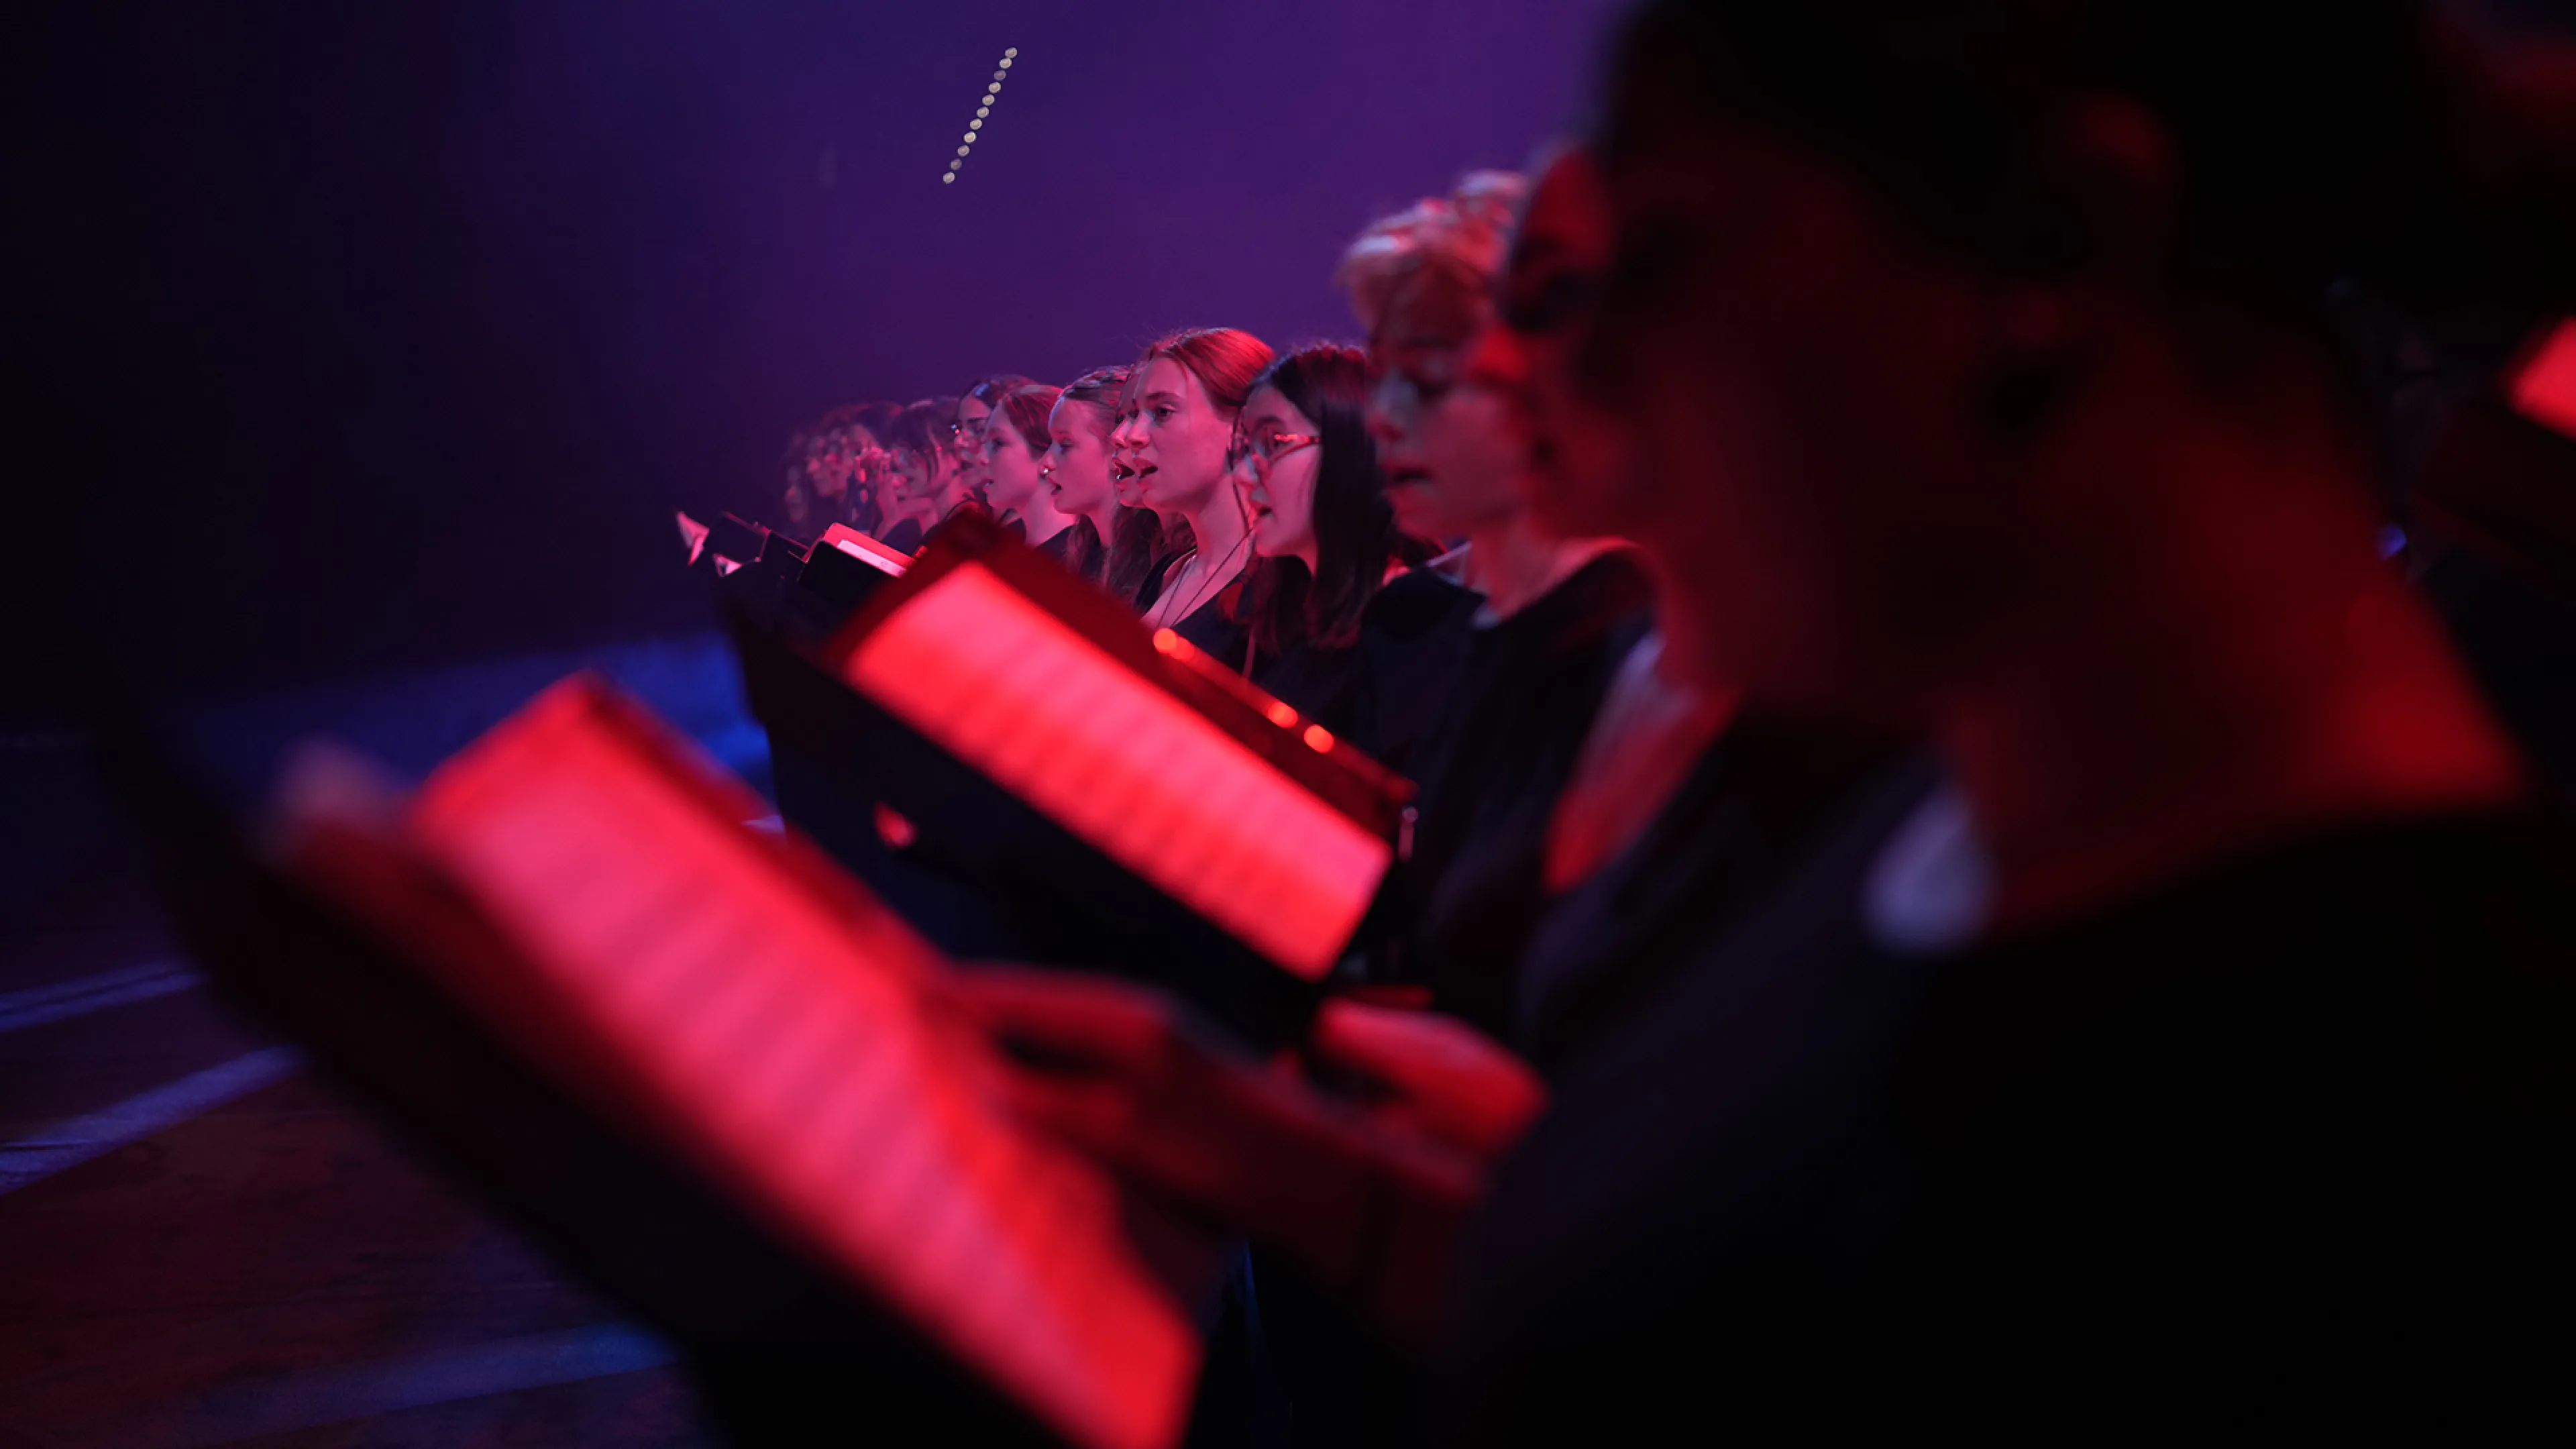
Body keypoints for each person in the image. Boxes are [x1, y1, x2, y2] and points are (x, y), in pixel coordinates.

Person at [957, 0, 2576, 1439]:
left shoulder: (2393, 1098)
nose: (1580, 398)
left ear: (2050, 260)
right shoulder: (1964, 811)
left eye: (1664, 267)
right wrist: (1311, 1175)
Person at [1116, 329, 1275, 666]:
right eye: (1134, 415)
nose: (1132, 436)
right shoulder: (1167, 572)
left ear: (1243, 424)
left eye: (1162, 412)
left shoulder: (1276, 587)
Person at [1038, 366, 1135, 586]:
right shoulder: (1080, 556)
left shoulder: (1157, 566)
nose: (1046, 463)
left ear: (1117, 446)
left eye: (1065, 445)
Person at [981, 384, 1087, 566]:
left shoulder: (1073, 561)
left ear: (1047, 451)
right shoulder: (1005, 544)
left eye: (998, 443)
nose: (983, 458)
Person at [886, 396, 981, 550]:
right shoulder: (946, 526)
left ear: (956, 449)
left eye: (914, 450)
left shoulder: (966, 532)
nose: (901, 463)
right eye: (901, 452)